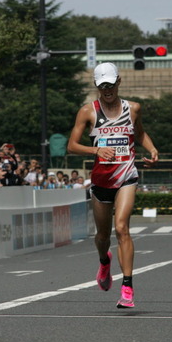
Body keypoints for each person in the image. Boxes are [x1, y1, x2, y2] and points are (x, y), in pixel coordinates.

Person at [67, 62, 159, 308]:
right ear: (97, 86)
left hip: (127, 175)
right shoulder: (88, 111)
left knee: (122, 228)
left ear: (119, 82)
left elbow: (139, 133)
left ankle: (127, 287)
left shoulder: (133, 108)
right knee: (103, 236)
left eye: (111, 84)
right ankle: (104, 261)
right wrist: (96, 149)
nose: (107, 89)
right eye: (102, 85)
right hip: (101, 180)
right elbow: (72, 145)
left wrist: (151, 149)